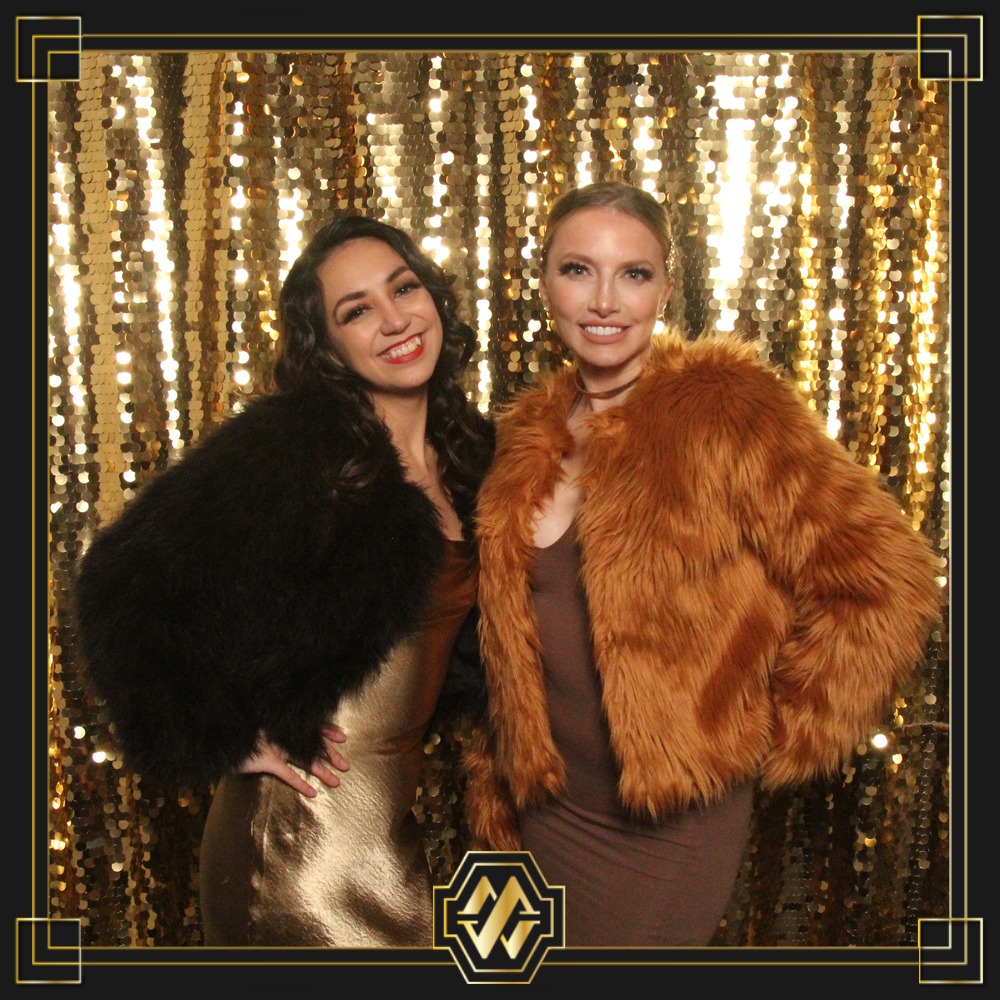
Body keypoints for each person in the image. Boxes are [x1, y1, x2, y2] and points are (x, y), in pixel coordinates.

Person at [462, 181, 942, 947]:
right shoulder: (523, 436)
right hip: (538, 811)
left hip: (667, 830)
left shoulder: (729, 411)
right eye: (579, 270)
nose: (605, 301)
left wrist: (770, 731)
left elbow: (887, 578)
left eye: (634, 274)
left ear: (664, 291)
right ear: (545, 284)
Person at [72, 214, 495, 947]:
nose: (394, 319)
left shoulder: (472, 457)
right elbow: (116, 581)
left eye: (403, 288)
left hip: (387, 830)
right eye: (356, 311)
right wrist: (218, 736)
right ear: (327, 346)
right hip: (297, 848)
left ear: (434, 297)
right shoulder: (295, 450)